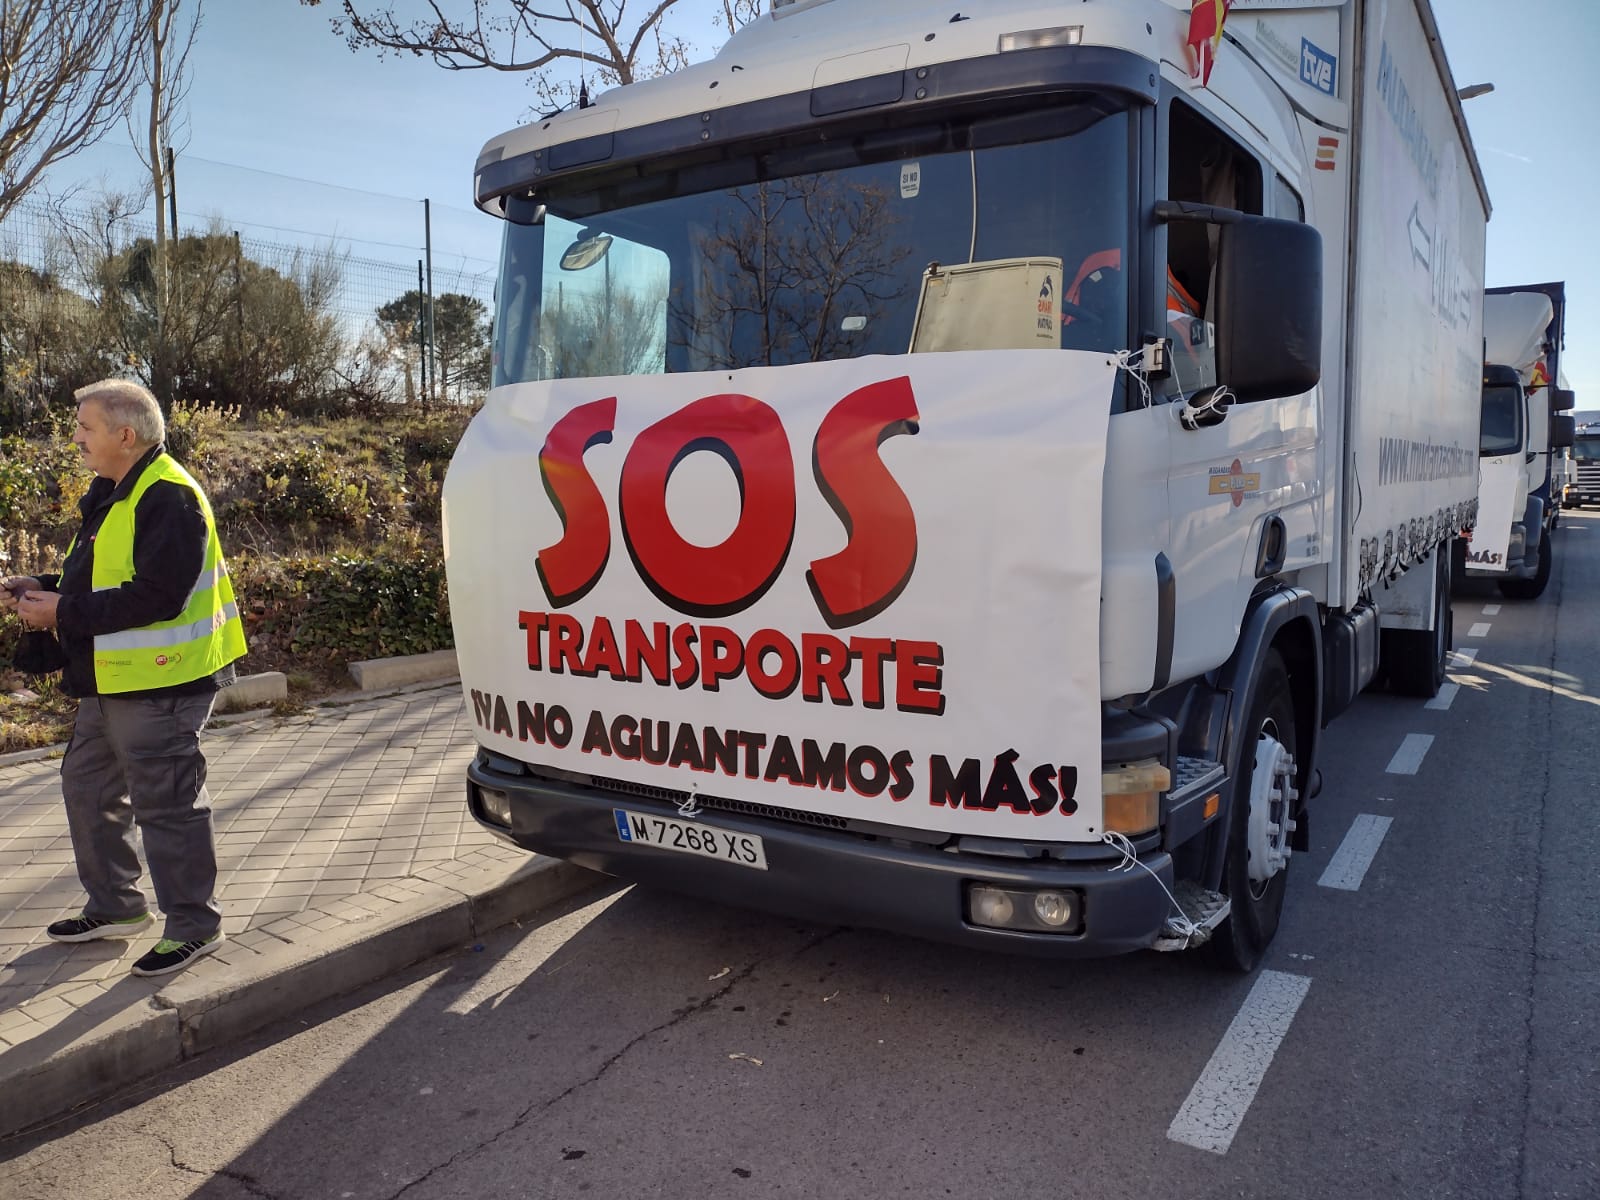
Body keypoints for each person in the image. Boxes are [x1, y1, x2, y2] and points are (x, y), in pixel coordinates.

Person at [0, 379, 247, 977]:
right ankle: (117, 907)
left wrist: (59, 611)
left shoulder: (168, 497)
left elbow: (158, 597)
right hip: (109, 678)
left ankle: (194, 925)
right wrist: (41, 587)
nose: (76, 438)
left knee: (167, 805)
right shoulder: (114, 490)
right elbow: (98, 580)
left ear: (125, 435)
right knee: (87, 788)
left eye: (85, 427)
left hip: (164, 681)